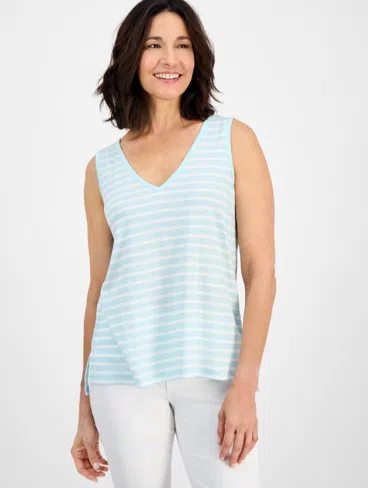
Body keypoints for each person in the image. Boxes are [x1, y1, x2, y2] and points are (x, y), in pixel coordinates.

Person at [71, 0, 276, 486]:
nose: (171, 59)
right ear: (131, 57)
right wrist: (83, 409)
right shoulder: (102, 169)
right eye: (154, 45)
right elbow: (99, 289)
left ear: (196, 56)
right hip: (121, 374)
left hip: (214, 368)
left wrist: (245, 385)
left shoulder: (232, 140)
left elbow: (260, 273)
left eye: (182, 45)